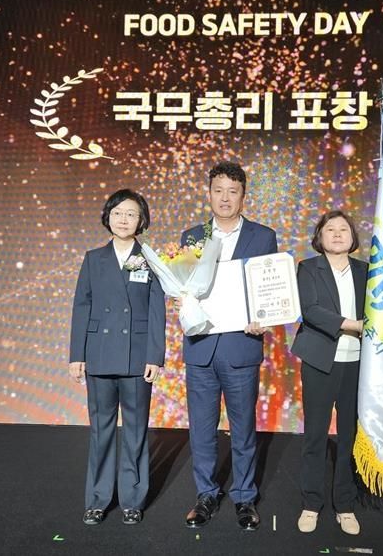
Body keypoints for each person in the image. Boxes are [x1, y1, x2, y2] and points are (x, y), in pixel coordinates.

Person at [181, 161, 277, 531]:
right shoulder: (193, 236)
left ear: (243, 196)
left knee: (243, 429)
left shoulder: (263, 236)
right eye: (218, 190)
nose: (225, 198)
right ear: (208, 193)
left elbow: (270, 288)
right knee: (201, 430)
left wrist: (264, 317)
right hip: (201, 347)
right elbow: (185, 287)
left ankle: (244, 498)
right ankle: (205, 495)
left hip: (241, 346)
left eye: (232, 191)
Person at [69, 189, 166, 526]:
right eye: (118, 213)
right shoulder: (93, 258)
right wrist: (77, 355)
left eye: (131, 214)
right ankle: (97, 499)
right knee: (101, 430)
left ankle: (132, 500)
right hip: (98, 354)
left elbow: (157, 311)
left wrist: (155, 356)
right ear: (108, 217)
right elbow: (82, 307)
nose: (124, 219)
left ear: (142, 220)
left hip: (137, 357)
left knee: (136, 431)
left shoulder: (151, 259)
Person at [291, 210, 368, 536]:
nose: (337, 234)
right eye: (330, 229)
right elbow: (310, 311)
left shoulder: (367, 271)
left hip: (359, 364)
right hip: (320, 362)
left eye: (344, 229)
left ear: (353, 237)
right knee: (315, 435)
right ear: (320, 237)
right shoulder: (308, 268)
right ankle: (311, 502)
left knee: (351, 436)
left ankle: (345, 505)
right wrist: (354, 325)